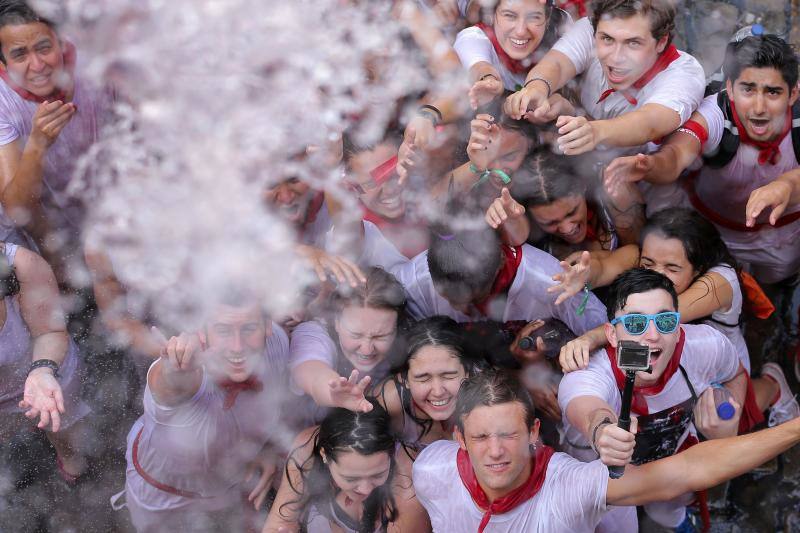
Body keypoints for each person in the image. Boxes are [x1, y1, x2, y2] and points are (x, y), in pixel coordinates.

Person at [413, 368, 800, 532]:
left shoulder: (567, 486)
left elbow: (687, 471)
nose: (495, 452)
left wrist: (795, 429)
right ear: (459, 440)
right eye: (480, 438)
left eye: (508, 435)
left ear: (534, 432)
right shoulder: (430, 471)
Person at [556, 268, 767, 529]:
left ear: (678, 329)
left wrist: (728, 429)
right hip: (603, 476)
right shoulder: (588, 375)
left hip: (672, 457)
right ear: (612, 335)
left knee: (670, 511)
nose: (652, 335)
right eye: (635, 324)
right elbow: (587, 407)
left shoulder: (706, 347)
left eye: (665, 322)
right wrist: (602, 431)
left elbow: (735, 374)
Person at [603, 33, 800, 284]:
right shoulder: (715, 113)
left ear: (793, 94)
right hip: (712, 234)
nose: (758, 108)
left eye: (773, 92)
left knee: (776, 289)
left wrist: (786, 186)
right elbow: (676, 155)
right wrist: (651, 165)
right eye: (748, 90)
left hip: (782, 238)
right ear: (729, 88)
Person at [117, 291, 290, 532]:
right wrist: (177, 367)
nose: (238, 346)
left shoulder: (277, 344)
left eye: (249, 328)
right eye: (223, 331)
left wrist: (267, 450)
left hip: (231, 486)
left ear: (268, 326)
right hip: (164, 494)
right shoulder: (189, 372)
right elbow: (168, 384)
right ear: (201, 330)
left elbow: (275, 406)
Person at [503, 0, 705, 157]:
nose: (616, 57)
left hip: (648, 190)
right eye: (607, 39)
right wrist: (537, 88)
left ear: (661, 42)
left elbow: (649, 122)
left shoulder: (684, 73)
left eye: (633, 43)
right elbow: (555, 64)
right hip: (588, 163)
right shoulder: (588, 29)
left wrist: (594, 132)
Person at [0, 1, 115, 259]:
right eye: (20, 55)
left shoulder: (96, 63)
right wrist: (37, 145)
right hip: (49, 237)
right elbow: (16, 209)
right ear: (4, 64)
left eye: (44, 48)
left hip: (110, 211)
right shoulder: (2, 101)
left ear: (61, 43)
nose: (38, 65)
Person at [263, 400, 431, 532]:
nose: (365, 489)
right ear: (324, 456)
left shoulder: (409, 486)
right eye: (351, 478)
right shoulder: (307, 449)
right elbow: (277, 523)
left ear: (391, 453)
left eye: (377, 475)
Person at [0, 241, 90, 481]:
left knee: (63, 432)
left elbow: (49, 331)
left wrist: (41, 371)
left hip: (43, 372)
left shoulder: (21, 266)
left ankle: (71, 461)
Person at [288, 267, 408, 429]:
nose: (366, 350)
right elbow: (312, 371)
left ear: (396, 329)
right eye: (356, 335)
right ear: (336, 321)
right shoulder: (312, 334)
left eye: (380, 336)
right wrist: (332, 393)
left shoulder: (402, 346)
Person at [373, 316, 485, 457]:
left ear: (467, 372)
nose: (438, 392)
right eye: (423, 378)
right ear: (405, 379)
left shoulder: (487, 393)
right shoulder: (389, 400)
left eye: (448, 376)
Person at [486, 149, 618, 258]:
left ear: (582, 186)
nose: (567, 228)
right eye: (550, 223)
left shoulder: (613, 194)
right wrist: (506, 220)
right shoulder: (532, 231)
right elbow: (516, 237)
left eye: (572, 212)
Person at [453, 0, 570, 109]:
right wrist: (489, 80)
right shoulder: (473, 38)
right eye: (509, 16)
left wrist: (564, 107)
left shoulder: (562, 31)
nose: (521, 31)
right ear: (492, 15)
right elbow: (479, 65)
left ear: (548, 18)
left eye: (534, 17)